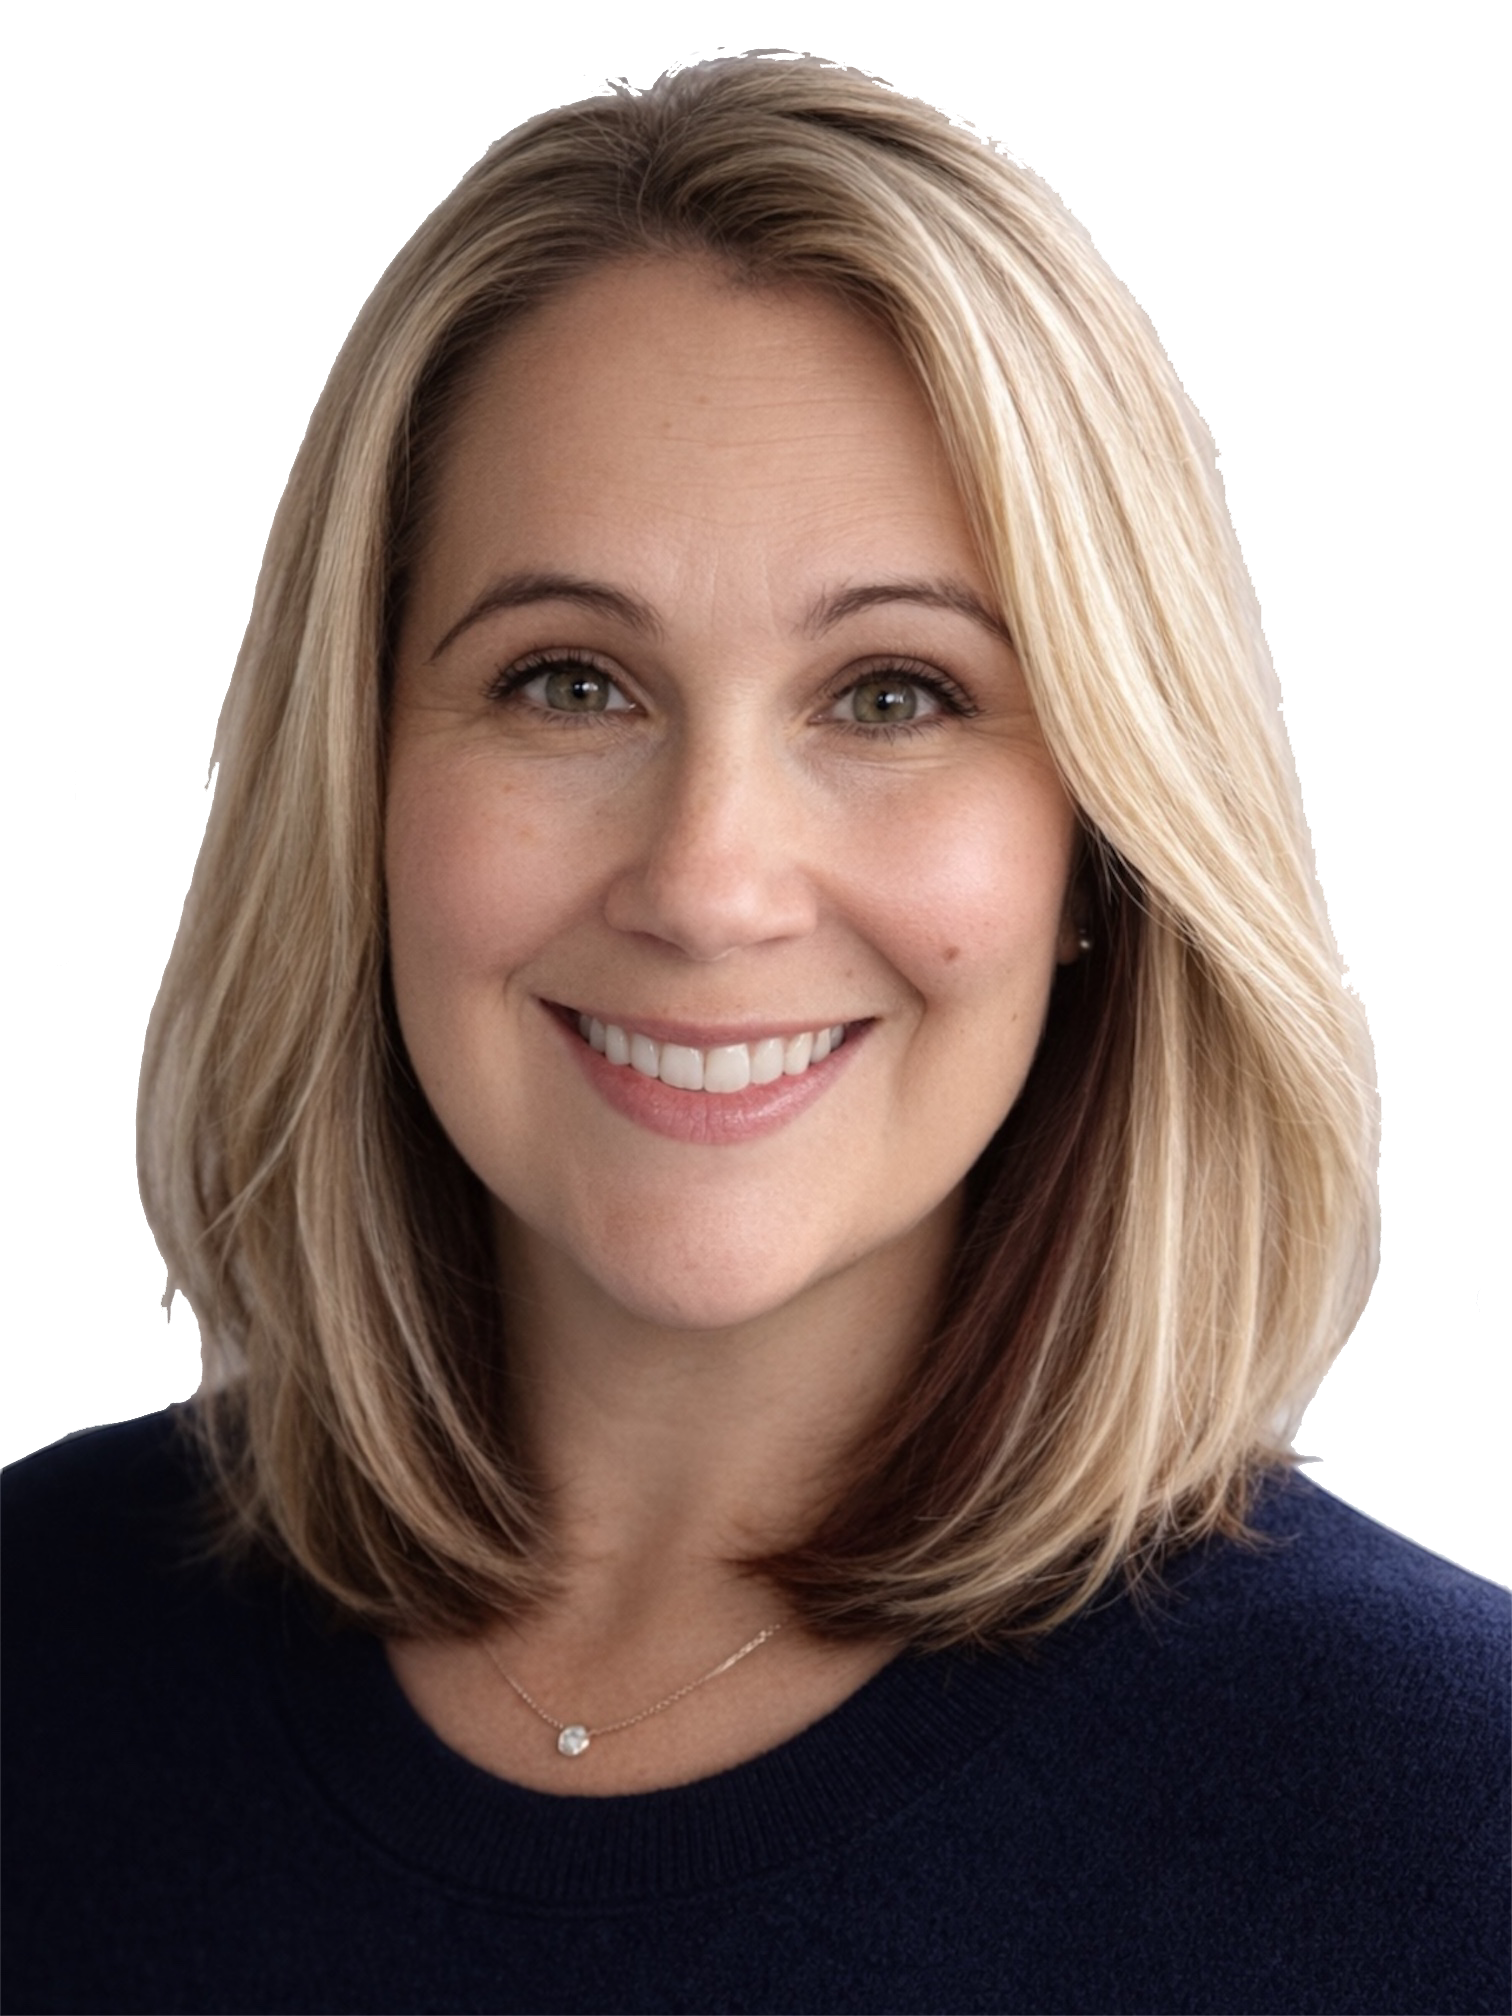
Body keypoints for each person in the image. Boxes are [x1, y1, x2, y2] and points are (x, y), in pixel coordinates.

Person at [5, 57, 1507, 2016]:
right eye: (568, 682)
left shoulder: (1447, 1840)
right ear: (357, 789)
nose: (711, 882)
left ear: (1100, 849)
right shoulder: (29, 1651)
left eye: (893, 694)